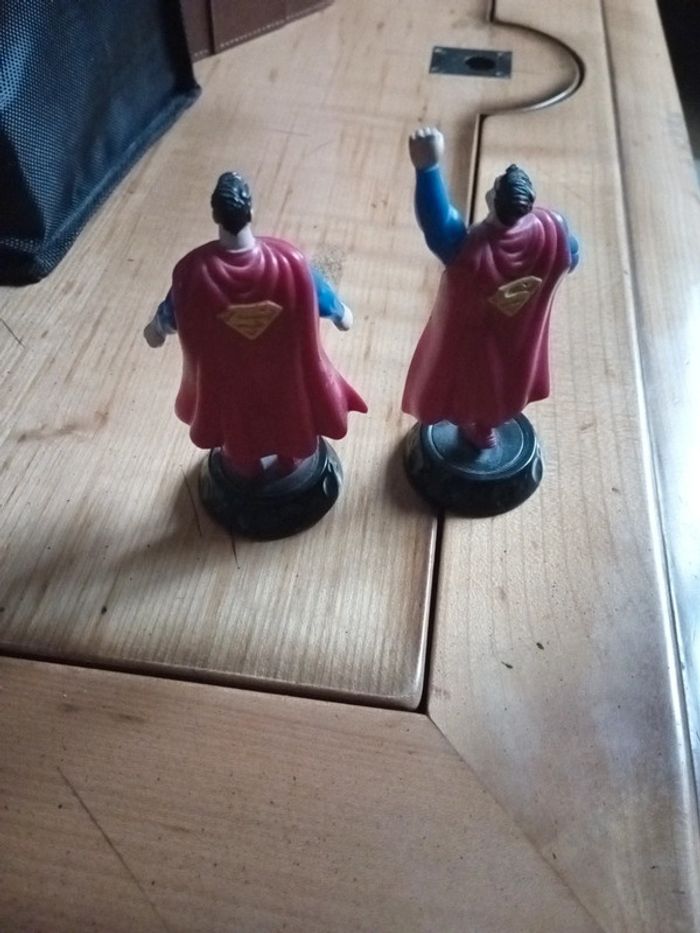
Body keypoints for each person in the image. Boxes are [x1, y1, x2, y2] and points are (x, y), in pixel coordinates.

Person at [144, 172, 366, 481]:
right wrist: (341, 315)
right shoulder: (289, 262)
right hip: (282, 374)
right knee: (289, 417)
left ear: (215, 216)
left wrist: (156, 330)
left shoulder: (193, 273)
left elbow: (169, 315)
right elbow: (324, 297)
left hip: (231, 379)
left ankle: (247, 469)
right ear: (251, 211)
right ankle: (288, 463)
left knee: (239, 426)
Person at [402, 127, 579, 450]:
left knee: (466, 385)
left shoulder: (474, 253)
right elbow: (573, 254)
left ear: (494, 201)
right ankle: (485, 427)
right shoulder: (550, 234)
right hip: (517, 341)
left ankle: (477, 426)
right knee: (502, 387)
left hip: (475, 340)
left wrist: (428, 169)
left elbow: (439, 225)